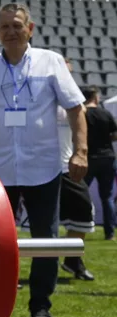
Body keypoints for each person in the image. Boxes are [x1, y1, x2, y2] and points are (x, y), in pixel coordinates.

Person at [0, 3, 87, 317]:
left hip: (43, 166)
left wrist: (81, 151)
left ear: (30, 28)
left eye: (17, 25)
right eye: (4, 26)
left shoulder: (51, 61)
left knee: (46, 239)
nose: (11, 32)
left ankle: (41, 306)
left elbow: (76, 108)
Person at [56, 66, 95, 281]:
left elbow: (81, 113)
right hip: (41, 166)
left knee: (84, 209)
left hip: (66, 165)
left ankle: (72, 260)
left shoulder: (70, 96)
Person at [80, 86, 117, 241]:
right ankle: (110, 232)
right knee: (107, 197)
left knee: (80, 194)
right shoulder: (105, 113)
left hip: (88, 158)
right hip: (107, 157)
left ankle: (79, 228)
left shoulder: (82, 114)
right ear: (95, 97)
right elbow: (114, 134)